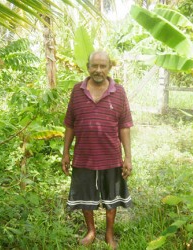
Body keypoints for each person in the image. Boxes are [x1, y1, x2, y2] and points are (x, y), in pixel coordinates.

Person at [61, 50, 133, 249]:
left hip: (111, 156)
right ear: (88, 67)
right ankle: (91, 231)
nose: (98, 70)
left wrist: (128, 157)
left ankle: (109, 234)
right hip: (84, 157)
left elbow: (124, 126)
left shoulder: (119, 92)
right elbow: (70, 124)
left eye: (103, 66)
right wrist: (65, 152)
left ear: (109, 68)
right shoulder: (77, 91)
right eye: (95, 66)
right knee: (85, 197)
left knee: (112, 198)